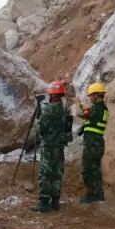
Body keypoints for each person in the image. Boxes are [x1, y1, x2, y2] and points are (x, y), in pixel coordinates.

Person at [31, 80, 72, 213]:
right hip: (59, 146)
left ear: (52, 95)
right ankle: (55, 202)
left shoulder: (48, 110)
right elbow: (68, 127)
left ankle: (44, 203)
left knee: (46, 173)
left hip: (48, 146)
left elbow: (41, 129)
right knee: (57, 172)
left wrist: (38, 118)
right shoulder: (65, 109)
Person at [79, 82, 109, 203]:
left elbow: (87, 115)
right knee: (95, 169)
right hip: (97, 143)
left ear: (96, 95)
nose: (90, 98)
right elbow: (90, 120)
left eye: (91, 95)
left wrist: (81, 108)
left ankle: (93, 194)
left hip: (92, 144)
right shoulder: (103, 109)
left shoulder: (97, 108)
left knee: (88, 170)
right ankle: (98, 194)